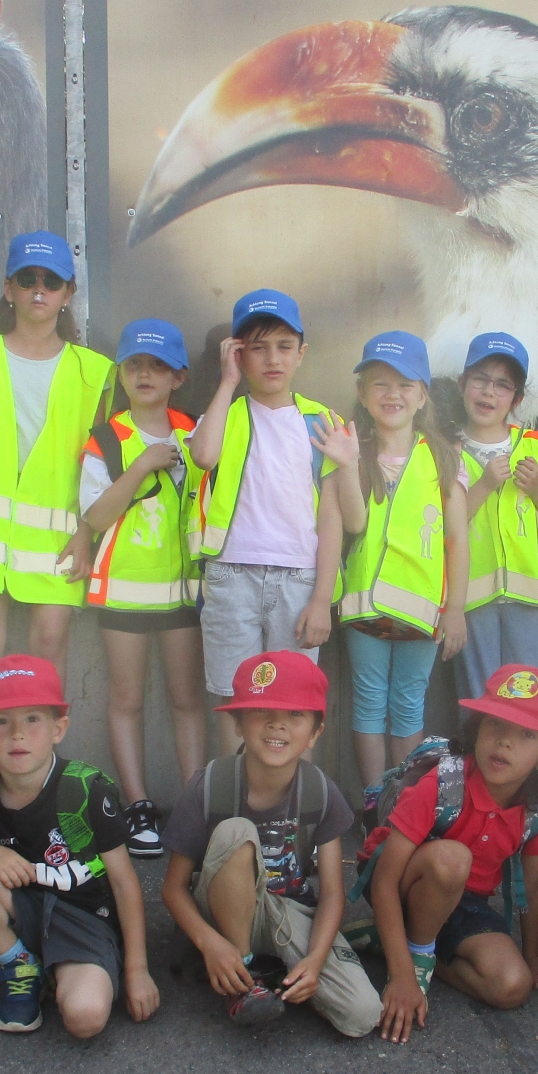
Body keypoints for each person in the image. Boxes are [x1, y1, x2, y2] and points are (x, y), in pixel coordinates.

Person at [0, 656, 160, 1038]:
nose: (17, 734)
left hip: (85, 918)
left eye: (32, 719)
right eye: (1, 721)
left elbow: (124, 884)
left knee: (86, 1018)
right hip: (21, 908)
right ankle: (20, 965)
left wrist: (138, 970)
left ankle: (64, 969)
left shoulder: (86, 792)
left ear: (59, 728)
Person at [159, 652, 381, 1036]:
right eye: (261, 710)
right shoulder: (210, 785)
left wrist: (315, 960)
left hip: (287, 910)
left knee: (362, 1014)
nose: (277, 723)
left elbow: (332, 891)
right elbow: (173, 888)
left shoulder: (321, 791)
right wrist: (209, 943)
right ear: (238, 723)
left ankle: (277, 970)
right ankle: (244, 975)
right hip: (221, 912)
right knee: (236, 831)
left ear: (315, 732)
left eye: (295, 714)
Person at [362, 664, 538, 1044]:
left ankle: (391, 942)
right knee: (452, 860)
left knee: (513, 986)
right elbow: (384, 878)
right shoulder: (442, 783)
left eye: (526, 734)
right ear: (477, 728)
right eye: (495, 724)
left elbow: (535, 888)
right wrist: (402, 977)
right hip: (405, 883)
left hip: (465, 902)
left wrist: (533, 959)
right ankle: (414, 957)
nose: (504, 742)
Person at [0, 232, 115, 685]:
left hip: (59, 536)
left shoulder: (92, 370)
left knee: (50, 643)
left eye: (51, 281)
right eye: (27, 279)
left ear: (68, 294)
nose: (39, 290)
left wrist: (86, 534)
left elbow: (96, 465)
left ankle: (49, 735)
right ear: (9, 288)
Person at [61, 318, 207, 857]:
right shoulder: (107, 438)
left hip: (182, 591)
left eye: (158, 366)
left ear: (178, 376)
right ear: (121, 374)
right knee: (126, 699)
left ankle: (193, 804)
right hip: (123, 588)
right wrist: (143, 463)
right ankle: (138, 806)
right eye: (135, 365)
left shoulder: (196, 432)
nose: (145, 374)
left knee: (186, 699)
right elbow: (96, 516)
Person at [189, 290, 358, 752]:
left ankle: (294, 794)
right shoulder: (226, 414)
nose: (272, 359)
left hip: (299, 583)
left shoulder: (321, 421)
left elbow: (332, 517)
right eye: (258, 348)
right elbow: (203, 456)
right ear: (238, 354)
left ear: (301, 354)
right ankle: (234, 790)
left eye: (284, 346)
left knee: (295, 702)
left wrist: (321, 599)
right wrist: (227, 383)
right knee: (235, 701)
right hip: (231, 577)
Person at [339, 330, 468, 817]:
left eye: (405, 384)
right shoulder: (352, 451)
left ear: (422, 396)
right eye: (380, 383)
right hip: (363, 606)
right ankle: (375, 804)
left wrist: (455, 609)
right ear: (362, 392)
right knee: (369, 701)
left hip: (421, 608)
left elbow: (457, 540)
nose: (392, 394)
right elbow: (345, 523)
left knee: (409, 702)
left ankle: (402, 805)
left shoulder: (444, 457)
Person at [452, 332, 538, 699]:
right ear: (462, 384)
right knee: (481, 698)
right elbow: (442, 525)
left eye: (502, 385)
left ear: (516, 398)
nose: (489, 392)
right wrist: (485, 485)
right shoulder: (444, 450)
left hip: (528, 598)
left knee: (528, 697)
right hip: (471, 598)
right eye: (481, 380)